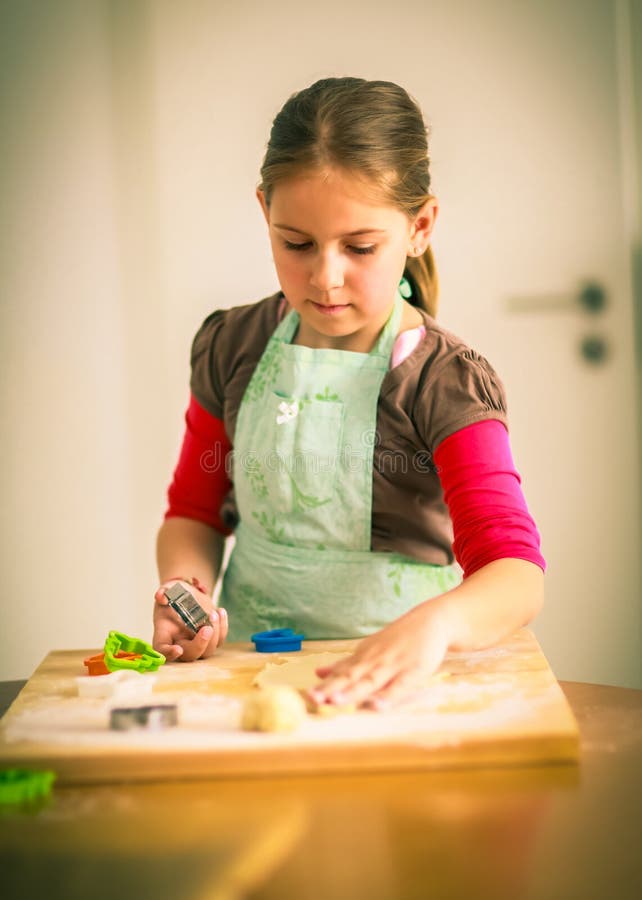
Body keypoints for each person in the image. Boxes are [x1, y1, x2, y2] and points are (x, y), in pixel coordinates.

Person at [153, 76, 545, 710]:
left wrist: (436, 625)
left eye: (360, 247)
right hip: (248, 678)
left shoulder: (442, 381)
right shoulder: (234, 346)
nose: (325, 277)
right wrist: (186, 589)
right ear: (264, 213)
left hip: (403, 694)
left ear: (420, 227)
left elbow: (516, 575)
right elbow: (193, 513)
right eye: (296, 243)